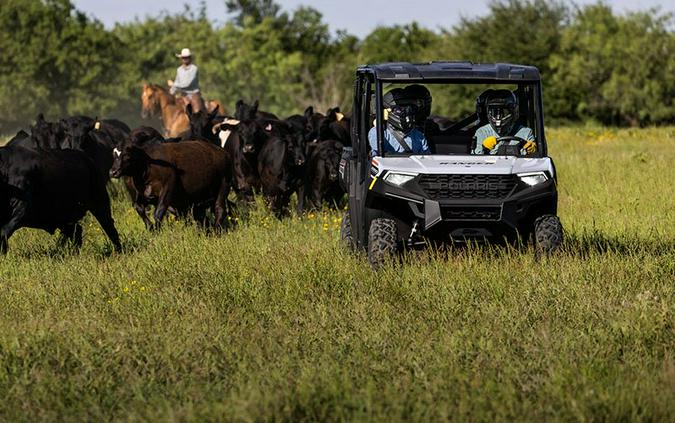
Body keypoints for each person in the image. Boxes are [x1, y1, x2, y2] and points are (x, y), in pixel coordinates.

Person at [368, 87, 431, 156]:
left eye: (409, 108)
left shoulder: (419, 135)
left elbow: (427, 158)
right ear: (387, 111)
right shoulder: (378, 133)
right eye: (399, 109)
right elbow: (377, 159)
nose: (406, 111)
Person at [473, 89, 537, 155]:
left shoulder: (526, 132)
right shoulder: (482, 132)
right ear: (488, 112)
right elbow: (474, 160)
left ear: (513, 112)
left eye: (504, 112)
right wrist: (484, 149)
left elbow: (534, 160)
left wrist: (533, 151)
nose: (498, 117)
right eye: (494, 112)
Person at [167, 48, 205, 112]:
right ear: (181, 58)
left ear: (190, 58)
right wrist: (170, 93)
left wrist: (172, 84)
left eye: (186, 57)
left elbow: (187, 84)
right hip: (183, 95)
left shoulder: (194, 69)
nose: (185, 59)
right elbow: (177, 82)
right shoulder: (179, 70)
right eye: (183, 57)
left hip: (193, 95)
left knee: (197, 112)